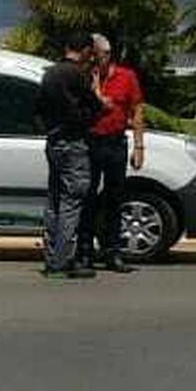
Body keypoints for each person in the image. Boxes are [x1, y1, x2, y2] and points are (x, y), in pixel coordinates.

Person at [35, 34, 103, 279]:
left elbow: (38, 109)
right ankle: (62, 261)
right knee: (71, 202)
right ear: (85, 51)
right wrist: (96, 92)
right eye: (90, 52)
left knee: (54, 199)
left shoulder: (49, 73)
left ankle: (52, 256)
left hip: (53, 142)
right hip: (74, 143)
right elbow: (95, 108)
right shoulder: (76, 75)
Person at [79, 33, 146, 273]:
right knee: (87, 198)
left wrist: (139, 146)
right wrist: (94, 85)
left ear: (108, 54)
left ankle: (112, 251)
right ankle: (84, 251)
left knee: (114, 199)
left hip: (116, 142)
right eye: (94, 55)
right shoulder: (85, 77)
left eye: (101, 55)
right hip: (91, 141)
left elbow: (137, 110)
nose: (97, 60)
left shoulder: (127, 77)